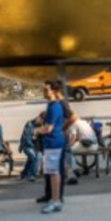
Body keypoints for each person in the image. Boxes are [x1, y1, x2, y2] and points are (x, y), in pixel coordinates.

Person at [35, 81, 67, 214]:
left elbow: (49, 129)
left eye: (46, 89)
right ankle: (55, 200)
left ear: (54, 91)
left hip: (53, 142)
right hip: (53, 142)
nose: (44, 91)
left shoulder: (54, 107)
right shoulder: (53, 105)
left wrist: (36, 130)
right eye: (43, 89)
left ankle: (55, 201)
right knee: (53, 172)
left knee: (53, 173)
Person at [18, 115, 43, 181]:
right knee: (33, 156)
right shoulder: (29, 124)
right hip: (27, 145)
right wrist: (33, 147)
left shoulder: (42, 126)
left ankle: (24, 173)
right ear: (39, 118)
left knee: (36, 157)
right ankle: (31, 175)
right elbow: (26, 138)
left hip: (36, 147)